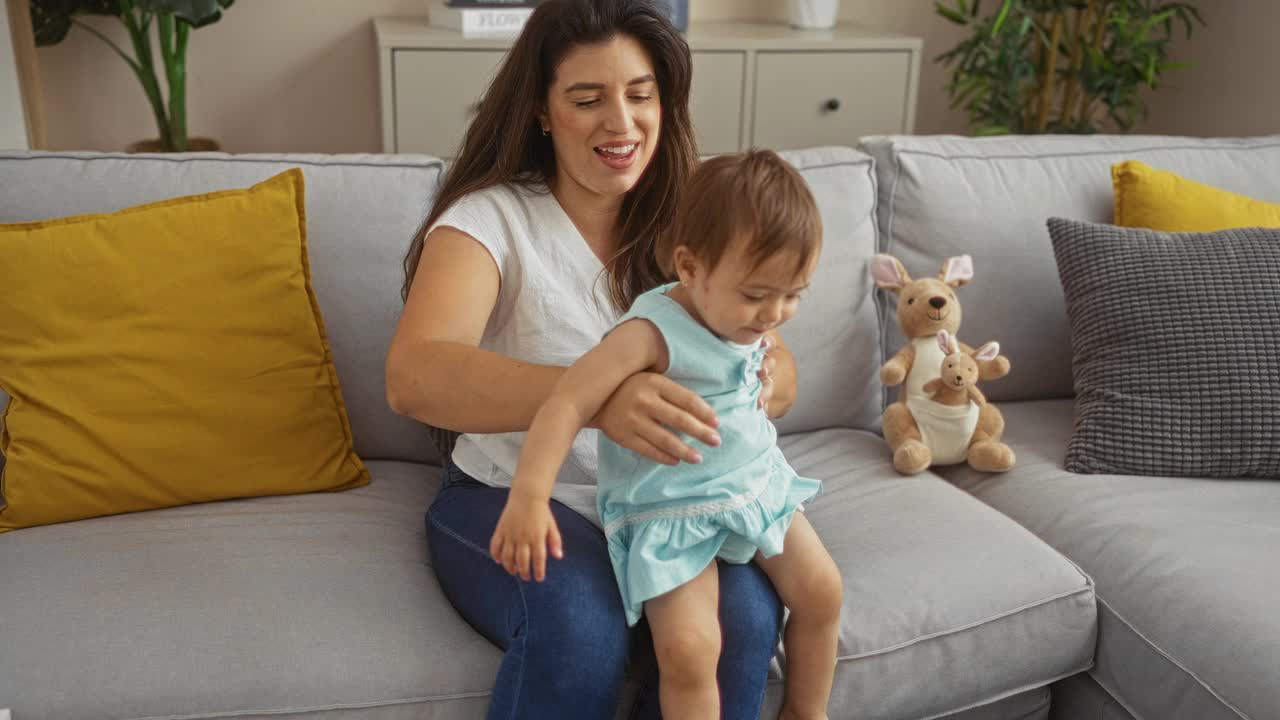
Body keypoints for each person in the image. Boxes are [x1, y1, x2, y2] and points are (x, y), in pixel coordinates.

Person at [385, 1, 804, 717]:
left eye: (641, 95)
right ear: (543, 112)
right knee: (581, 630)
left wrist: (769, 380)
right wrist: (600, 399)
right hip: (511, 494)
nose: (622, 123)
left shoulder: (691, 219)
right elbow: (415, 374)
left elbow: (774, 358)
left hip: (672, 505)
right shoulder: (488, 220)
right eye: (588, 99)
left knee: (747, 623)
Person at [489, 150, 842, 720]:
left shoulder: (749, 314)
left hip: (753, 485)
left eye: (794, 293)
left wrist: (765, 368)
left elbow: (763, 366)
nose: (774, 313)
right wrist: (529, 496)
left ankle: (805, 713)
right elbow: (566, 402)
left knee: (823, 593)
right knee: (690, 650)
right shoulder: (649, 332)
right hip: (673, 511)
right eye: (757, 295)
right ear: (691, 267)